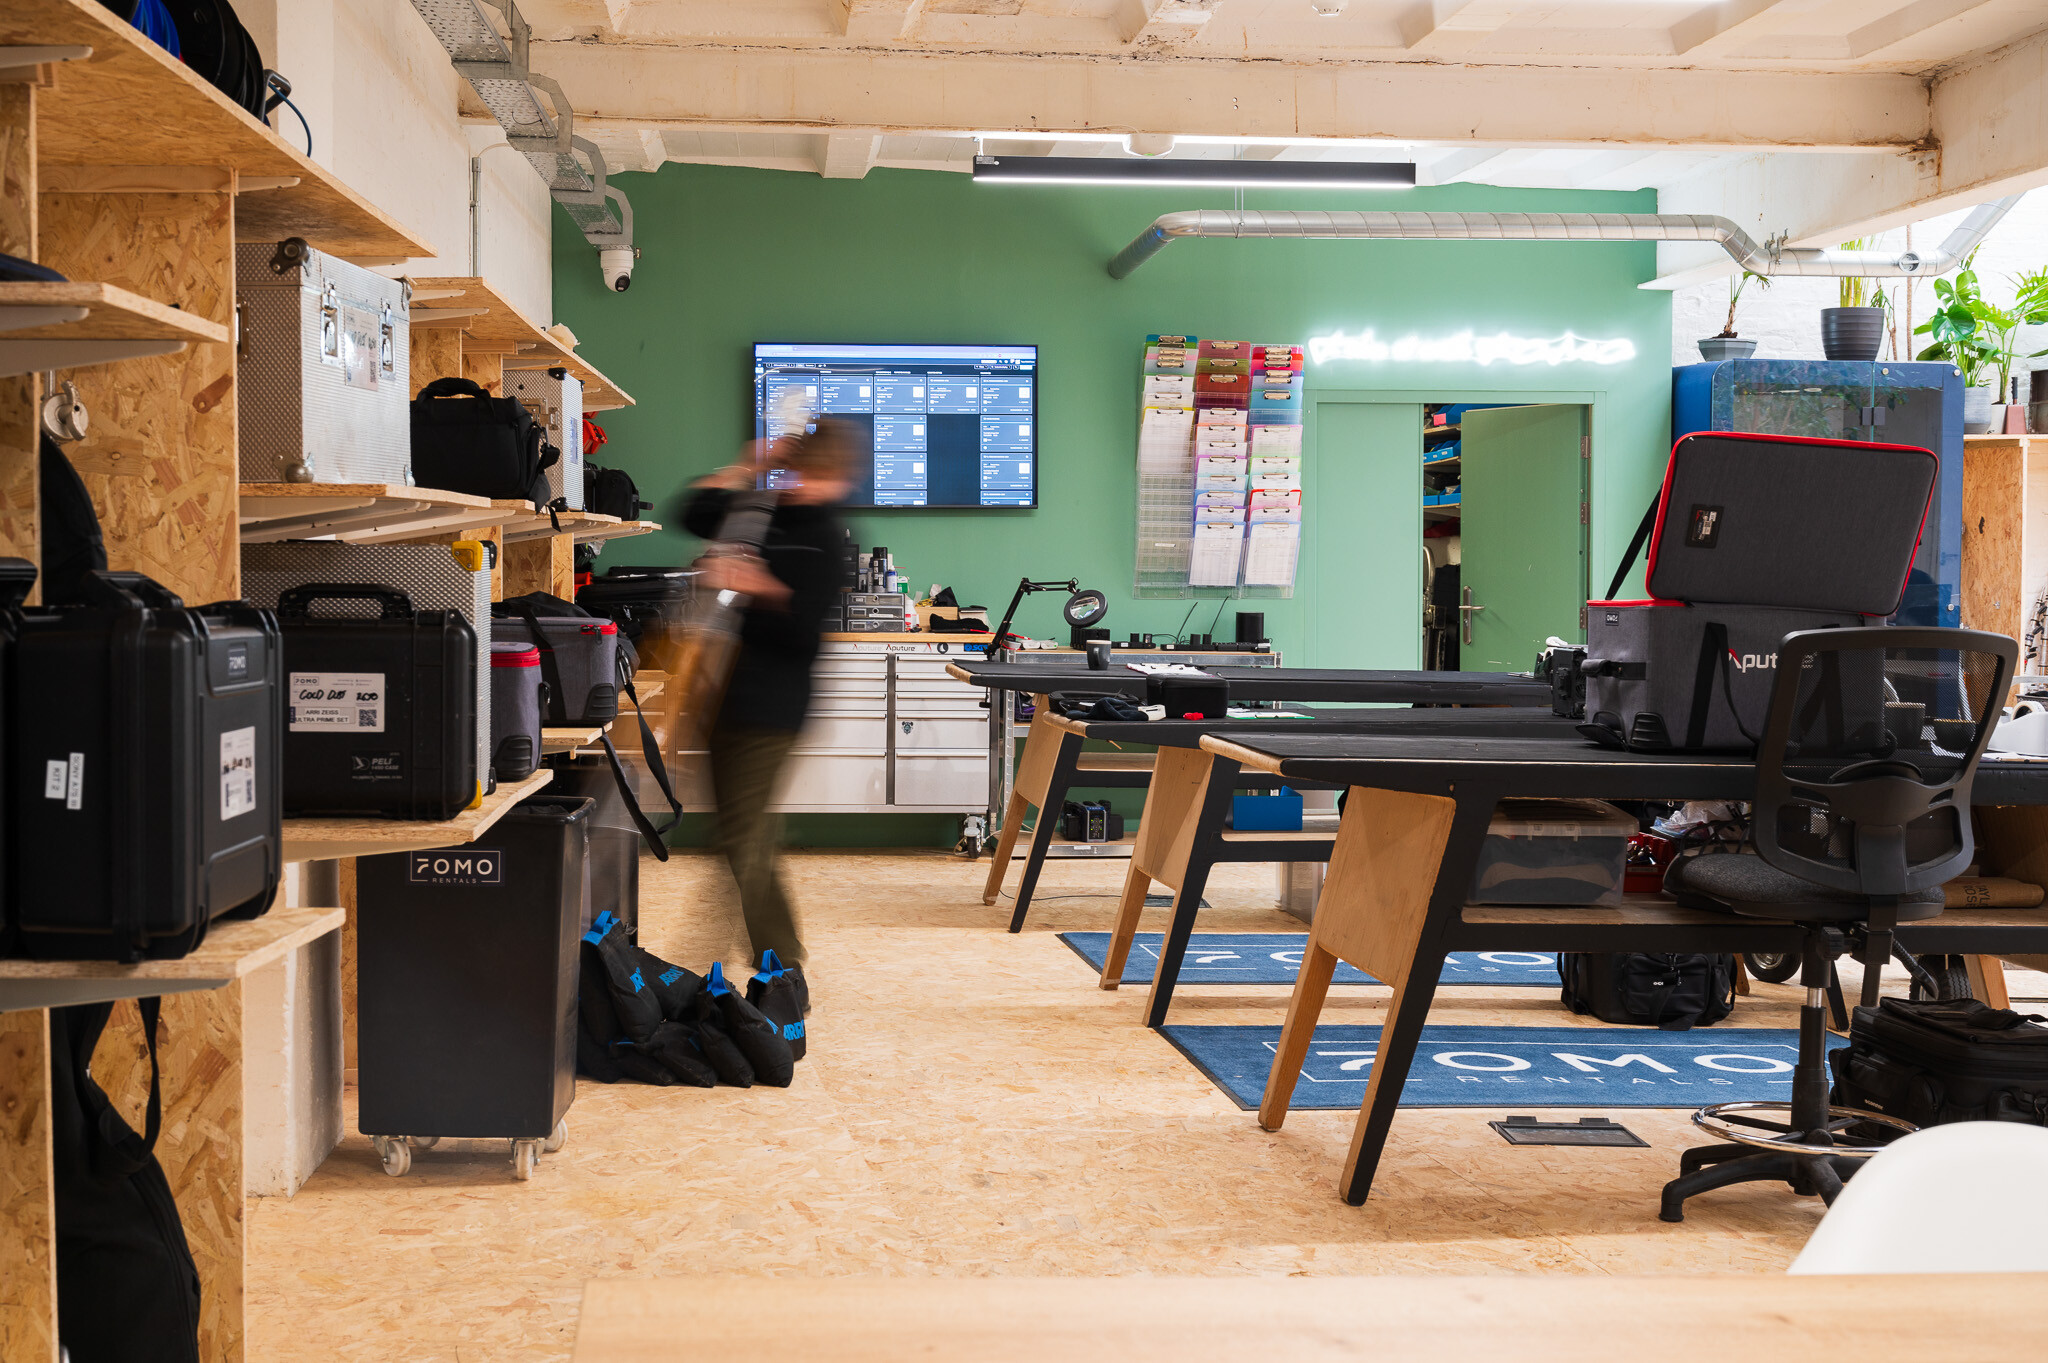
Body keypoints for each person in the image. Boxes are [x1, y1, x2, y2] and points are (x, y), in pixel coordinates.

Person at [681, 419, 856, 973]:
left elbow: (805, 632)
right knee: (738, 834)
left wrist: (762, 587)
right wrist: (746, 466)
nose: (805, 484)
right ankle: (742, 951)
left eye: (818, 476)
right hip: (725, 693)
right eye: (801, 471)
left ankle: (782, 965)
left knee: (744, 835)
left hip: (776, 707)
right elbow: (690, 514)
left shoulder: (830, 537)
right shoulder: (765, 510)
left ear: (841, 479)